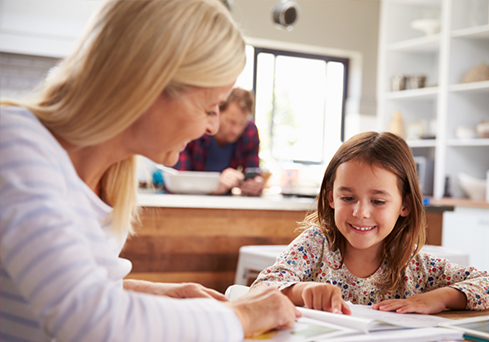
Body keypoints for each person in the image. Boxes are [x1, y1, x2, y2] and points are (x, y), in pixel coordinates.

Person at [0, 0, 300, 341]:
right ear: (150, 84)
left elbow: (77, 286)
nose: (212, 126)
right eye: (210, 106)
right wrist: (241, 315)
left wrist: (159, 294)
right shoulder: (14, 143)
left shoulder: (111, 175)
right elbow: (90, 319)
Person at [251, 131, 489, 315]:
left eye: (377, 201)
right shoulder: (317, 245)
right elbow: (261, 288)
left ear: (404, 205)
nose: (361, 212)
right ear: (331, 197)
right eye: (347, 198)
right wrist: (301, 291)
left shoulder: (413, 264)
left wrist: (439, 298)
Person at [174, 87, 264, 196]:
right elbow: (177, 180)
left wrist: (255, 184)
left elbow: (253, 172)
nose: (236, 130)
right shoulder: (196, 129)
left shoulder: (249, 131)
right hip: (190, 203)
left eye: (241, 124)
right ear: (217, 112)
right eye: (231, 122)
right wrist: (213, 184)